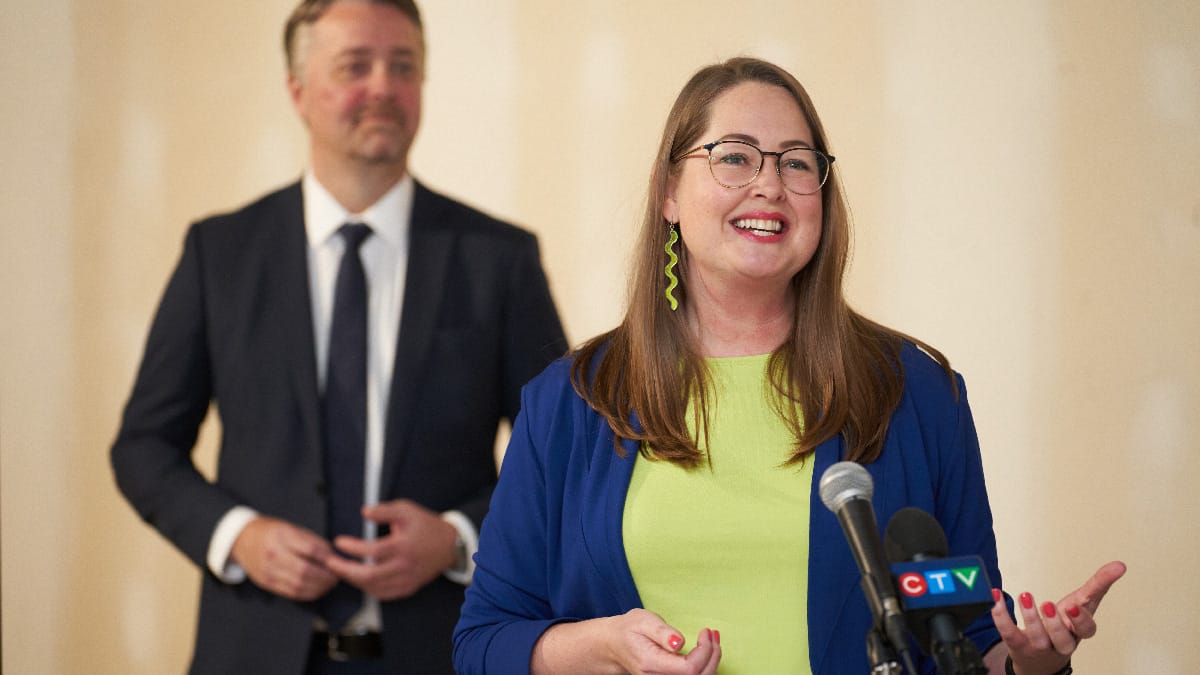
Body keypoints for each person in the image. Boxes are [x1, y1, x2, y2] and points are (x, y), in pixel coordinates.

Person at [452, 57, 1125, 674]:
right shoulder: (570, 401)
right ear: (668, 192)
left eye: (798, 164)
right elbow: (484, 640)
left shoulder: (918, 393)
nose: (770, 185)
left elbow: (970, 638)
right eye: (735, 157)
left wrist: (1034, 659)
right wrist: (596, 646)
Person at [109, 0, 566, 673]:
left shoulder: (498, 258)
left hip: (440, 650)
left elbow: (559, 455)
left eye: (403, 66)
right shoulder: (221, 255)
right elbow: (144, 447)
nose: (383, 85)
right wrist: (239, 536)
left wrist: (457, 537)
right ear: (297, 91)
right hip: (254, 651)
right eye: (356, 65)